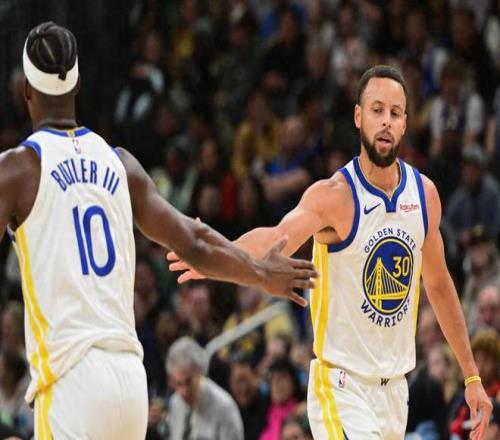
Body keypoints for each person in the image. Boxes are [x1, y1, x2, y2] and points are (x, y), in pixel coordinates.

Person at [0, 22, 317, 439]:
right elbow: (195, 242)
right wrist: (260, 271)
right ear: (76, 84)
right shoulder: (120, 163)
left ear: (25, 89)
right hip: (130, 380)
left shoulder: (16, 170)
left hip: (71, 380)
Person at [169, 65, 493, 439]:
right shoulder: (336, 195)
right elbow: (275, 238)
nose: (385, 121)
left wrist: (471, 375)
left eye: (395, 113)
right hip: (341, 387)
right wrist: (211, 256)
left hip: (394, 390)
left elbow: (438, 285)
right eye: (376, 110)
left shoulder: (424, 195)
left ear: (405, 123)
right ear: (358, 116)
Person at [166, 337, 244, 440]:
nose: (184, 392)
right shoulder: (176, 403)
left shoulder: (224, 407)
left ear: (200, 372)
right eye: (179, 384)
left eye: (188, 382)